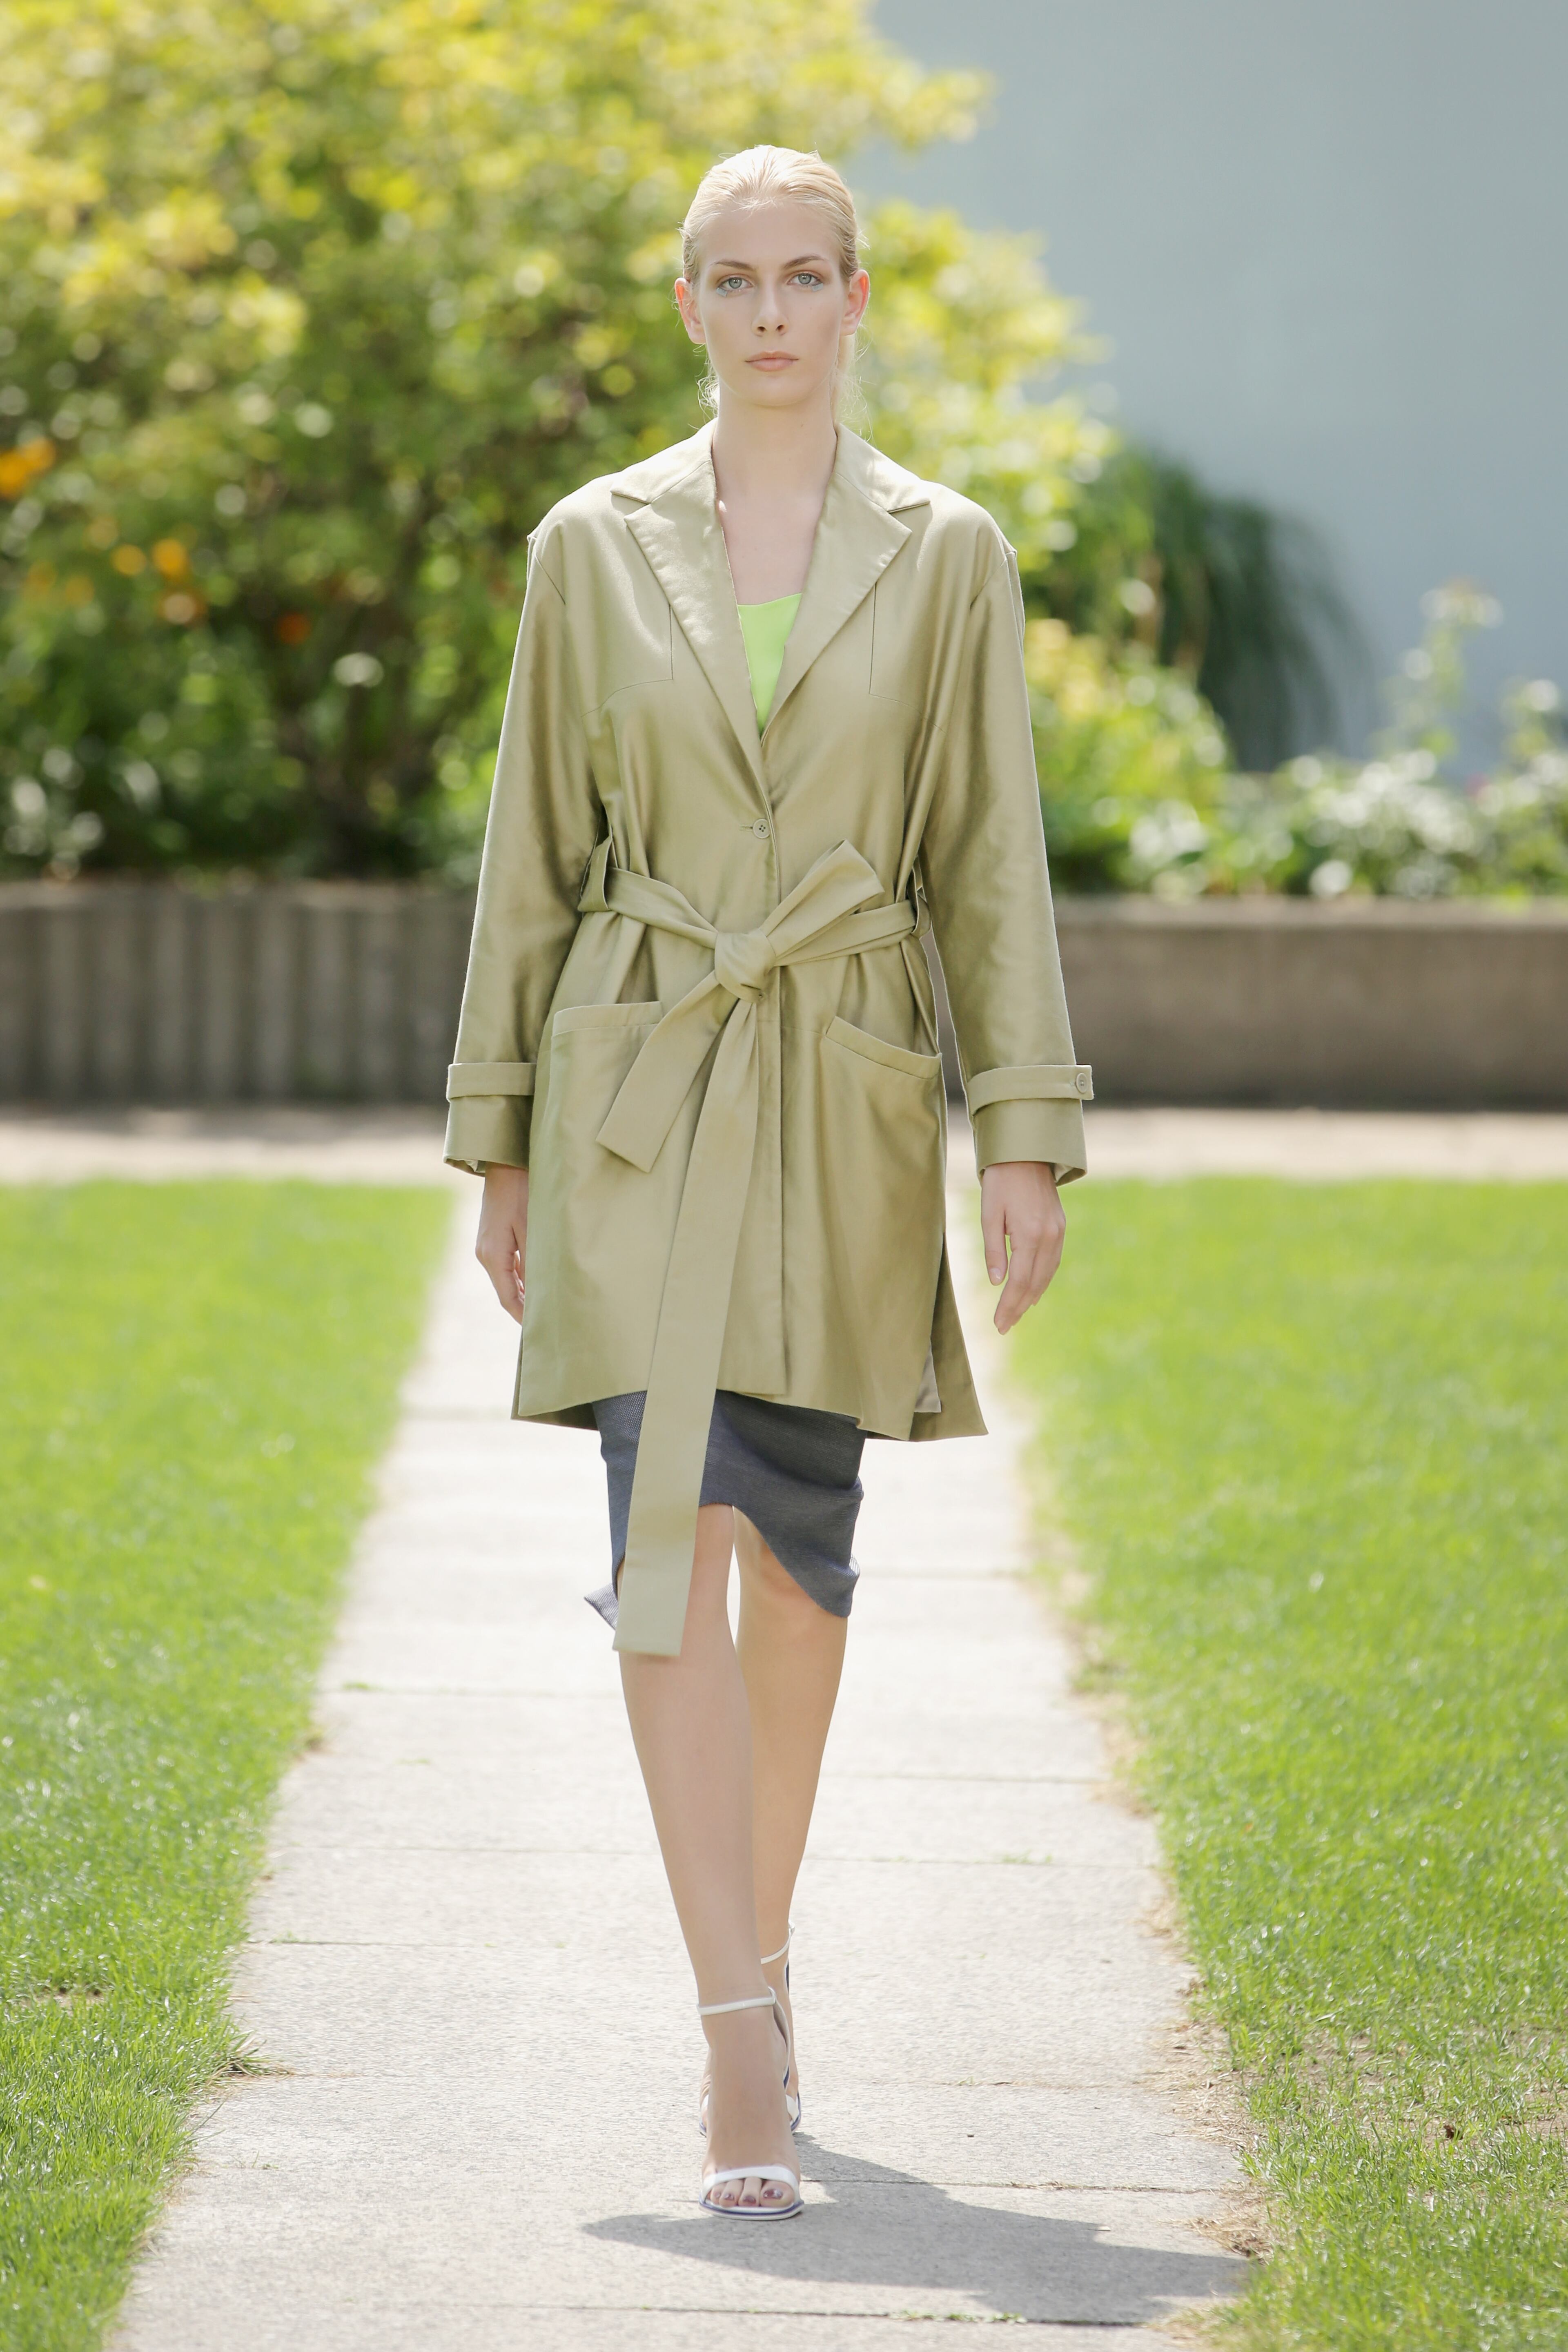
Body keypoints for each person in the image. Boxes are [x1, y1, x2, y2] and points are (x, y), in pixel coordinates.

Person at [444, 146, 1090, 2220]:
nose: (777, 314)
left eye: (810, 275)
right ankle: (738, 2046)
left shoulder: (954, 550)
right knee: (667, 1514)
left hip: (844, 1086)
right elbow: (533, 846)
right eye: (739, 280)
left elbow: (991, 857)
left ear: (860, 297)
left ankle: (765, 1955)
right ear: (691, 304)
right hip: (639, 1074)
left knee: (795, 1548)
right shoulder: (588, 545)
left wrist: (1027, 1134)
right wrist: (500, 1131)